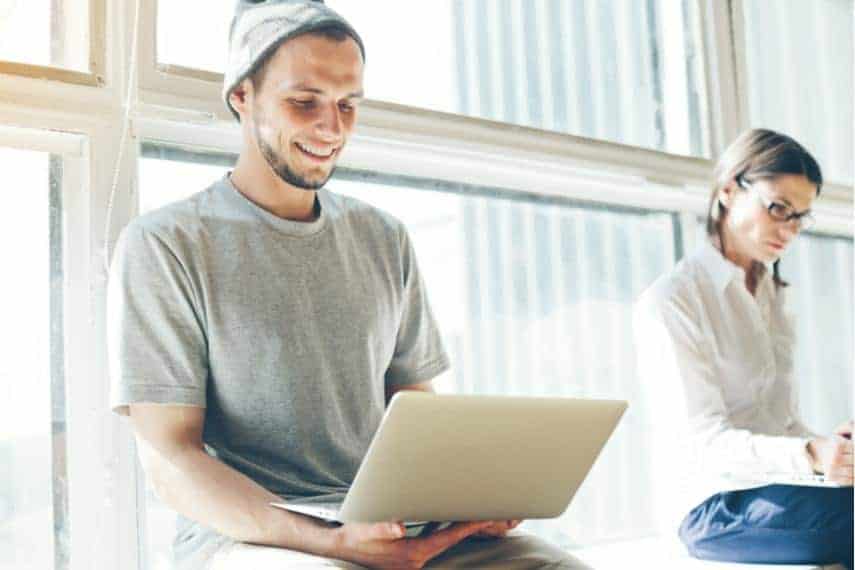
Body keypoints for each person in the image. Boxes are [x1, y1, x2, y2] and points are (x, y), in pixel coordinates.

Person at [107, 1, 588, 568]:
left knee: (554, 565)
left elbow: (417, 420)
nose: (330, 128)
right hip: (251, 539)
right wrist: (332, 540)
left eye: (347, 105)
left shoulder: (384, 238)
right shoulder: (166, 244)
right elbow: (170, 461)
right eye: (303, 102)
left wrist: (463, 504)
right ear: (242, 96)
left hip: (382, 522)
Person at [634, 128, 853, 568]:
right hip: (712, 508)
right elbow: (703, 444)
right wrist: (810, 455)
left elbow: (782, 421)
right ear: (730, 190)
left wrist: (834, 449)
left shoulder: (772, 296)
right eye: (779, 209)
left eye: (800, 217)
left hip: (781, 487)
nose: (789, 230)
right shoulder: (674, 300)